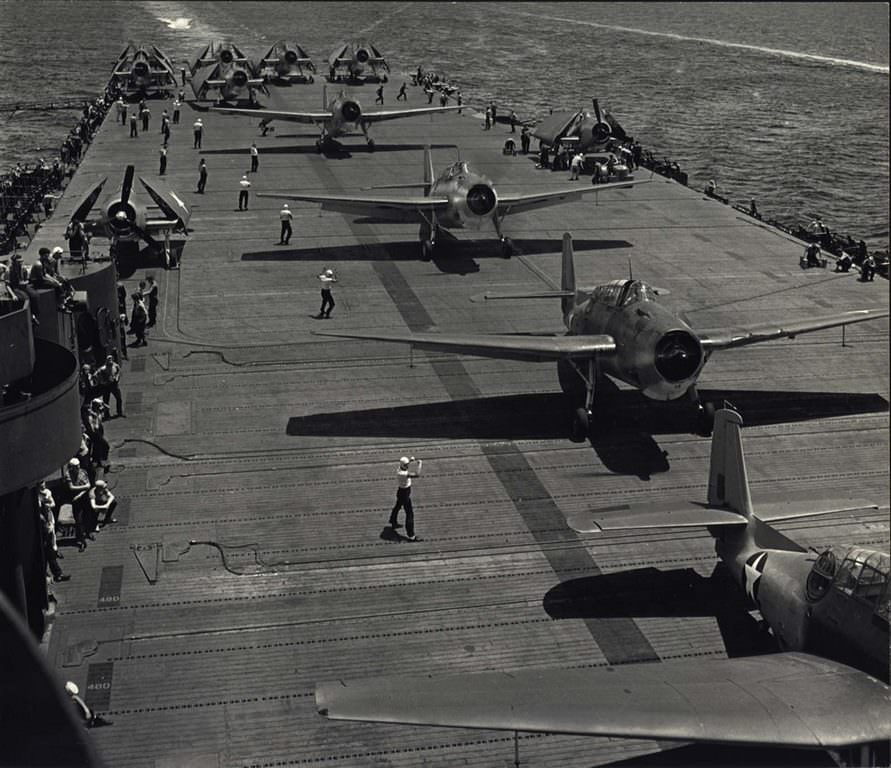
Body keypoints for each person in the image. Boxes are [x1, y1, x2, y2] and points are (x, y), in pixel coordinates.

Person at [388, 456, 422, 541]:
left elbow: (404, 465)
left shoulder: (399, 468)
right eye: (406, 465)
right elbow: (417, 474)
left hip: (400, 491)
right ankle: (411, 536)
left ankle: (393, 521)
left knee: (398, 506)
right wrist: (419, 464)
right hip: (405, 494)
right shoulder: (403, 474)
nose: (408, 466)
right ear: (403, 465)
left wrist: (410, 460)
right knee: (409, 514)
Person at [63, 458, 90, 551]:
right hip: (76, 502)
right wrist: (84, 488)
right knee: (78, 520)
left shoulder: (83, 472)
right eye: (76, 467)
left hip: (83, 498)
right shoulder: (68, 475)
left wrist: (79, 494)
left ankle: (87, 533)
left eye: (78, 466)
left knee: (87, 516)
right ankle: (82, 541)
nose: (78, 468)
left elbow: (88, 485)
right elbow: (71, 487)